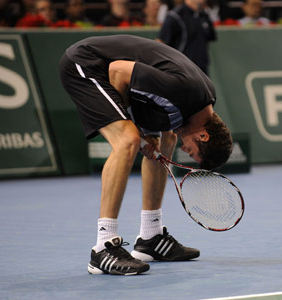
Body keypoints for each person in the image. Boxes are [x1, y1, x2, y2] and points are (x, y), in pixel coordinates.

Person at [59, 34, 233, 275]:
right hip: (86, 64)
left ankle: (150, 237)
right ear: (203, 136)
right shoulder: (183, 91)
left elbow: (151, 99)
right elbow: (117, 72)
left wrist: (151, 132)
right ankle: (103, 247)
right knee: (127, 140)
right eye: (192, 152)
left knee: (167, 139)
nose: (186, 151)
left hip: (110, 69)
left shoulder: (200, 102)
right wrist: (141, 131)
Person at [158, 0, 216, 74]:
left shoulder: (204, 15)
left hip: (202, 69)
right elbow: (161, 42)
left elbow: (210, 37)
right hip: (181, 69)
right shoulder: (175, 16)